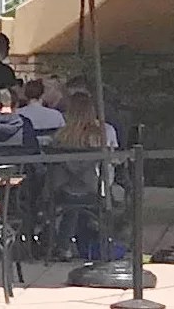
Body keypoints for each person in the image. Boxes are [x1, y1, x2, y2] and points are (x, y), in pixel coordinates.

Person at [51, 92, 118, 260]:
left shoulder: (61, 136)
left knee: (72, 204)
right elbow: (113, 161)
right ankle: (100, 241)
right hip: (93, 188)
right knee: (102, 184)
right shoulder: (103, 133)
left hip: (64, 188)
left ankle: (63, 245)